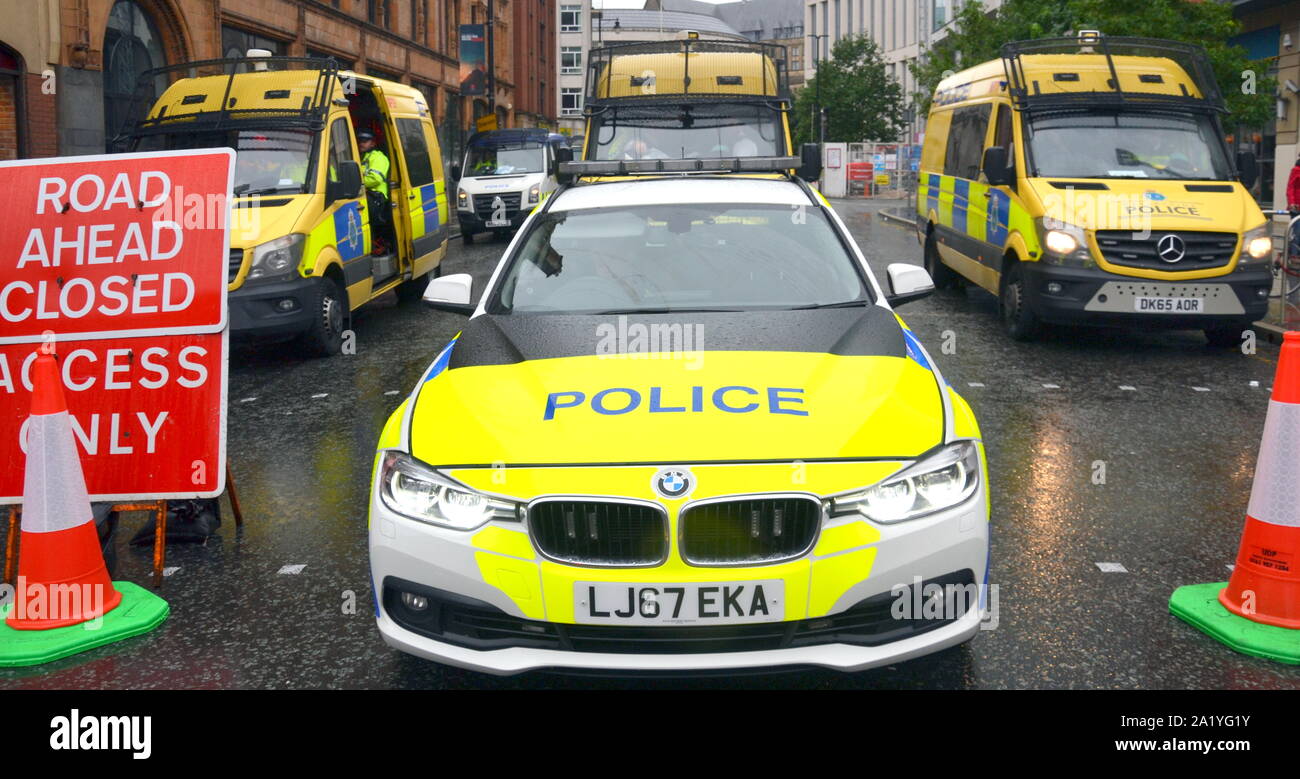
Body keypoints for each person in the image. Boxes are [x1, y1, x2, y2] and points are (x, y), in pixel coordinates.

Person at [357, 130, 394, 254]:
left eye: (365, 141)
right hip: (367, 194)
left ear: (372, 143)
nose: (361, 144)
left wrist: (357, 184)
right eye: (360, 141)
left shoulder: (378, 157)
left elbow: (375, 179)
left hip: (376, 196)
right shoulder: (362, 157)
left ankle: (376, 245)